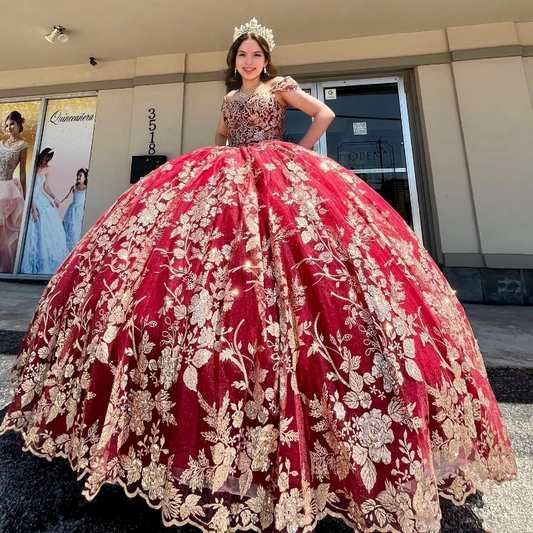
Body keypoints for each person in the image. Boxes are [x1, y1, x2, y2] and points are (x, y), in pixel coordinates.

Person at [1, 19, 515, 533]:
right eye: (242, 54)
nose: (249, 61)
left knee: (301, 273)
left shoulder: (280, 89)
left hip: (278, 171)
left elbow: (326, 112)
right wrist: (217, 173)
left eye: (255, 54)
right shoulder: (228, 100)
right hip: (228, 177)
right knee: (214, 274)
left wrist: (301, 149)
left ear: (265, 59)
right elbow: (222, 139)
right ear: (235, 60)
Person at [21, 148, 68, 274]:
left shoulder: (47, 169)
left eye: (49, 159)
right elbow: (29, 190)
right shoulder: (33, 168)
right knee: (34, 223)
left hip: (40, 198)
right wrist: (33, 208)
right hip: (31, 198)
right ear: (41, 156)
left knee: (48, 223)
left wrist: (55, 198)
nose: (46, 161)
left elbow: (46, 187)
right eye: (45, 158)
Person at [0, 111, 28, 272]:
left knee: (4, 232)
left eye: (12, 124)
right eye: (7, 124)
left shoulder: (22, 145)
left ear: (19, 125)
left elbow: (23, 171)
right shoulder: (1, 143)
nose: (9, 127)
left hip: (7, 191)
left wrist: (24, 195)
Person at [61, 167, 88, 251]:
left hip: (80, 211)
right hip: (72, 210)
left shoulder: (86, 188)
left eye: (80, 176)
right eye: (77, 176)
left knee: (77, 229)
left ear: (85, 178)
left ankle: (75, 248)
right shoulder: (74, 187)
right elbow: (67, 197)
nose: (78, 177)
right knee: (69, 227)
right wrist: (59, 203)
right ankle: (68, 247)